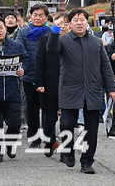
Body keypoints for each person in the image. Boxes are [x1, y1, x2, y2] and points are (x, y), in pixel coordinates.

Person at [47, 8, 115, 174]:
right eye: (75, 20)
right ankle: (68, 152)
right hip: (69, 89)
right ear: (70, 23)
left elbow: (106, 68)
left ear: (87, 22)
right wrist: (55, 29)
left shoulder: (96, 42)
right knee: (66, 124)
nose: (79, 23)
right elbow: (51, 49)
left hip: (92, 91)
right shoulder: (63, 40)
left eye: (82, 20)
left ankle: (87, 162)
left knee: (91, 129)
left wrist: (112, 89)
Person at [0, 16, 28, 162]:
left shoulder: (16, 46)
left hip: (12, 92)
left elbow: (27, 60)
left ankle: (11, 143)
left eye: (1, 27)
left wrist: (23, 69)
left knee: (15, 123)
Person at [15, 4, 51, 148]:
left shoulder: (50, 33)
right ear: (30, 17)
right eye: (35, 15)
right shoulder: (23, 32)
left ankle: (48, 137)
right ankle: (34, 138)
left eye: (41, 15)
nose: (37, 18)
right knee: (31, 109)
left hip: (47, 78)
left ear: (46, 18)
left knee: (48, 110)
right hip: (29, 76)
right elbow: (19, 50)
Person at [35, 12, 69, 157]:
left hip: (69, 86)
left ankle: (66, 151)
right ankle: (50, 141)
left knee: (66, 121)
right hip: (49, 85)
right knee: (48, 120)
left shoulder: (72, 42)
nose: (62, 27)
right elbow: (39, 64)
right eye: (58, 23)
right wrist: (40, 83)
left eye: (65, 24)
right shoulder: (45, 41)